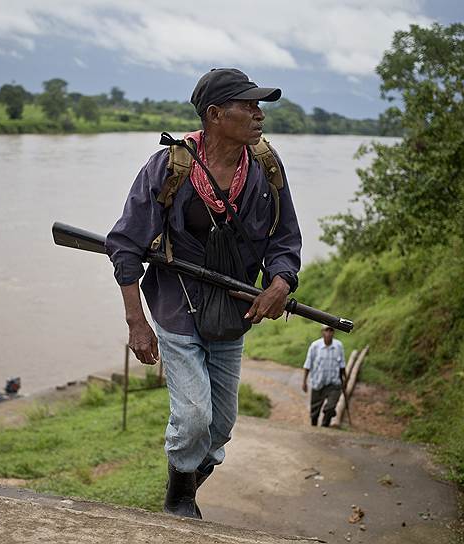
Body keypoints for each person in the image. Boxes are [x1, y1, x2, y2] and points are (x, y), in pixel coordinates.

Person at [106, 68, 301, 519]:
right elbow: (125, 244)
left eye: (260, 106)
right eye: (248, 106)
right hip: (177, 308)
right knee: (193, 418)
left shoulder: (266, 168)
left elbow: (284, 239)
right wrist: (137, 323)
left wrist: (280, 282)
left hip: (234, 311)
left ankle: (185, 479)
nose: (259, 115)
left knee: (221, 426)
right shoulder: (168, 166)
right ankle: (179, 500)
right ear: (214, 115)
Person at [302, 325, 346, 427]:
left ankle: (325, 427)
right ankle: (314, 427)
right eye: (327, 330)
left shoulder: (338, 346)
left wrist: (345, 379)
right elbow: (308, 364)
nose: (329, 333)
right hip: (318, 382)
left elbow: (342, 365)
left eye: (331, 331)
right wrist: (304, 382)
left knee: (330, 408)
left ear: (333, 333)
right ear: (322, 332)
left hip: (334, 383)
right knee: (314, 411)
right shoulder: (315, 346)